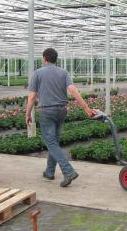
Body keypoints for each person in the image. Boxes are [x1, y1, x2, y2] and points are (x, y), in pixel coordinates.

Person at [25, 48, 96, 187]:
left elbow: (32, 96)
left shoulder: (37, 73)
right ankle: (49, 172)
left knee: (51, 142)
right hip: (62, 111)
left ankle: (68, 171)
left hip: (46, 111)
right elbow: (72, 90)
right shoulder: (63, 72)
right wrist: (86, 107)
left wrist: (27, 114)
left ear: (45, 58)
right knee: (54, 142)